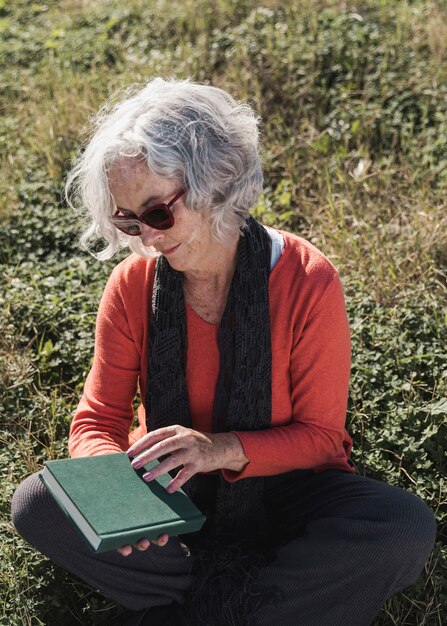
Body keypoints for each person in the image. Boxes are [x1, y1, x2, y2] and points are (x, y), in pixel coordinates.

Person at [11, 78, 436, 626]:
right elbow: (99, 419)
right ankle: (268, 604)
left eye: (159, 213)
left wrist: (219, 449)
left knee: (400, 526)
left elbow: (322, 439)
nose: (147, 237)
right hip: (167, 493)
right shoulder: (131, 284)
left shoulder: (308, 280)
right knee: (38, 504)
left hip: (287, 490)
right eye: (127, 219)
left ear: (216, 181)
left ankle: (191, 605)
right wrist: (118, 500)